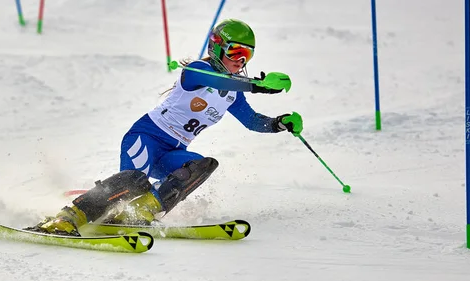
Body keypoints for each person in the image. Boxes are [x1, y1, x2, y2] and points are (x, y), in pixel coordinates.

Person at [28, 19, 303, 236]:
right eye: (236, 52)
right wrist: (258, 85)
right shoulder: (198, 70)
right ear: (217, 48)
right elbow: (221, 82)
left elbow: (252, 121)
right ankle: (66, 218)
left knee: (203, 165)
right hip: (146, 137)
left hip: (173, 150)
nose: (240, 62)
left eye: (247, 56)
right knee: (134, 181)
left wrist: (279, 123)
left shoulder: (233, 93)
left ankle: (141, 212)